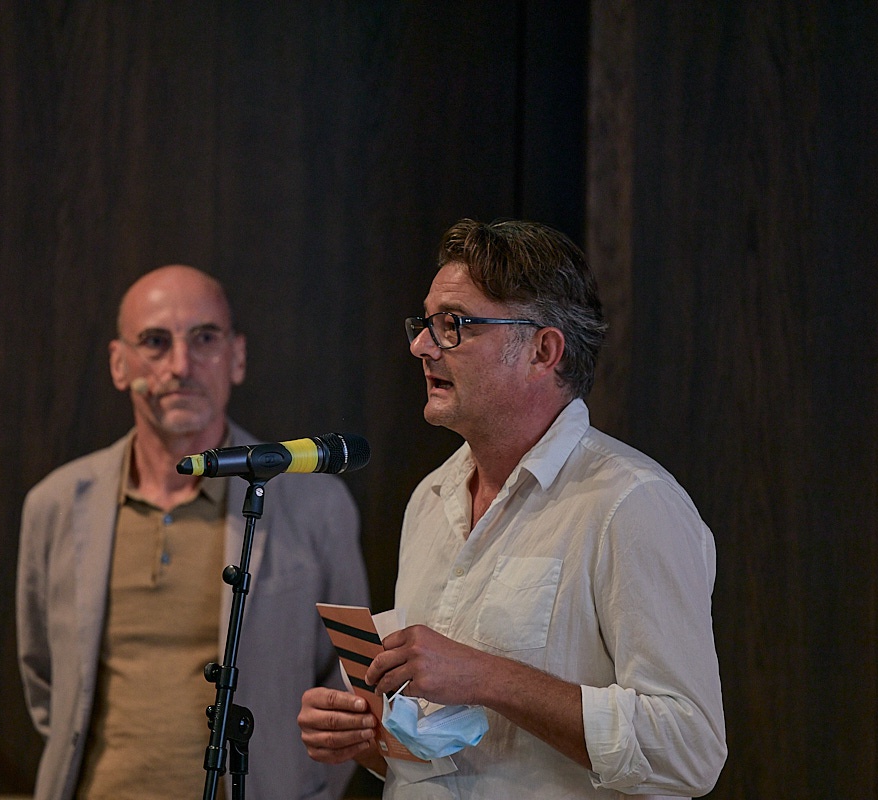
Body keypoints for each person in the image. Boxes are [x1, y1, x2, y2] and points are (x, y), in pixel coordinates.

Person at [297, 220, 727, 798]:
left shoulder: (630, 503)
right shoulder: (430, 498)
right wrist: (371, 736)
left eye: (453, 325)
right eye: (425, 323)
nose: (421, 346)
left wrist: (488, 677)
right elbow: (453, 754)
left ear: (543, 351)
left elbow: (690, 749)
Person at [17, 264, 370, 800]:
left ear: (238, 357)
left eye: (205, 338)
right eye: (155, 342)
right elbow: (45, 682)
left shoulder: (315, 503)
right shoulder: (57, 504)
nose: (181, 366)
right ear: (118, 363)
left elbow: (352, 678)